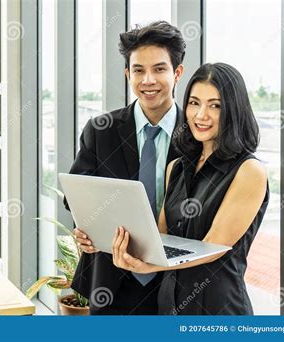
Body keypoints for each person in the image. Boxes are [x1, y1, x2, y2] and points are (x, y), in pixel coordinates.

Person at [111, 62, 269, 315]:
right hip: (170, 306)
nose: (200, 115)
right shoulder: (176, 167)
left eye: (215, 106)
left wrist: (150, 266)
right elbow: (161, 235)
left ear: (233, 111)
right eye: (194, 103)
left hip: (219, 312)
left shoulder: (249, 171)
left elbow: (212, 247)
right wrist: (125, 245)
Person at [66, 21, 186, 315]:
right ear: (127, 74)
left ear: (177, 73)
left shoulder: (196, 136)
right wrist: (83, 228)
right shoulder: (100, 130)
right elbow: (76, 194)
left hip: (176, 280)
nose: (148, 80)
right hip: (110, 279)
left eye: (159, 69)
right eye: (138, 70)